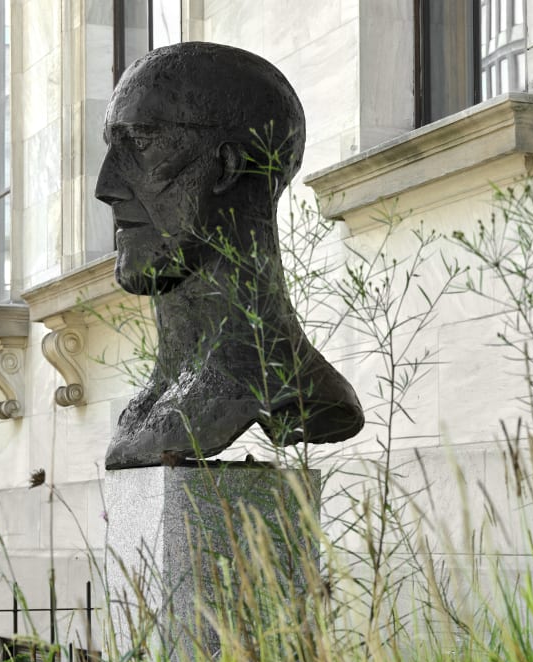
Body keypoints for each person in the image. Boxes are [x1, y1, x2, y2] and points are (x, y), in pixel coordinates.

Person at [95, 41, 364, 469]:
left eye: (141, 143)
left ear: (228, 166)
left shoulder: (277, 382)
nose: (106, 186)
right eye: (113, 147)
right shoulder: (147, 410)